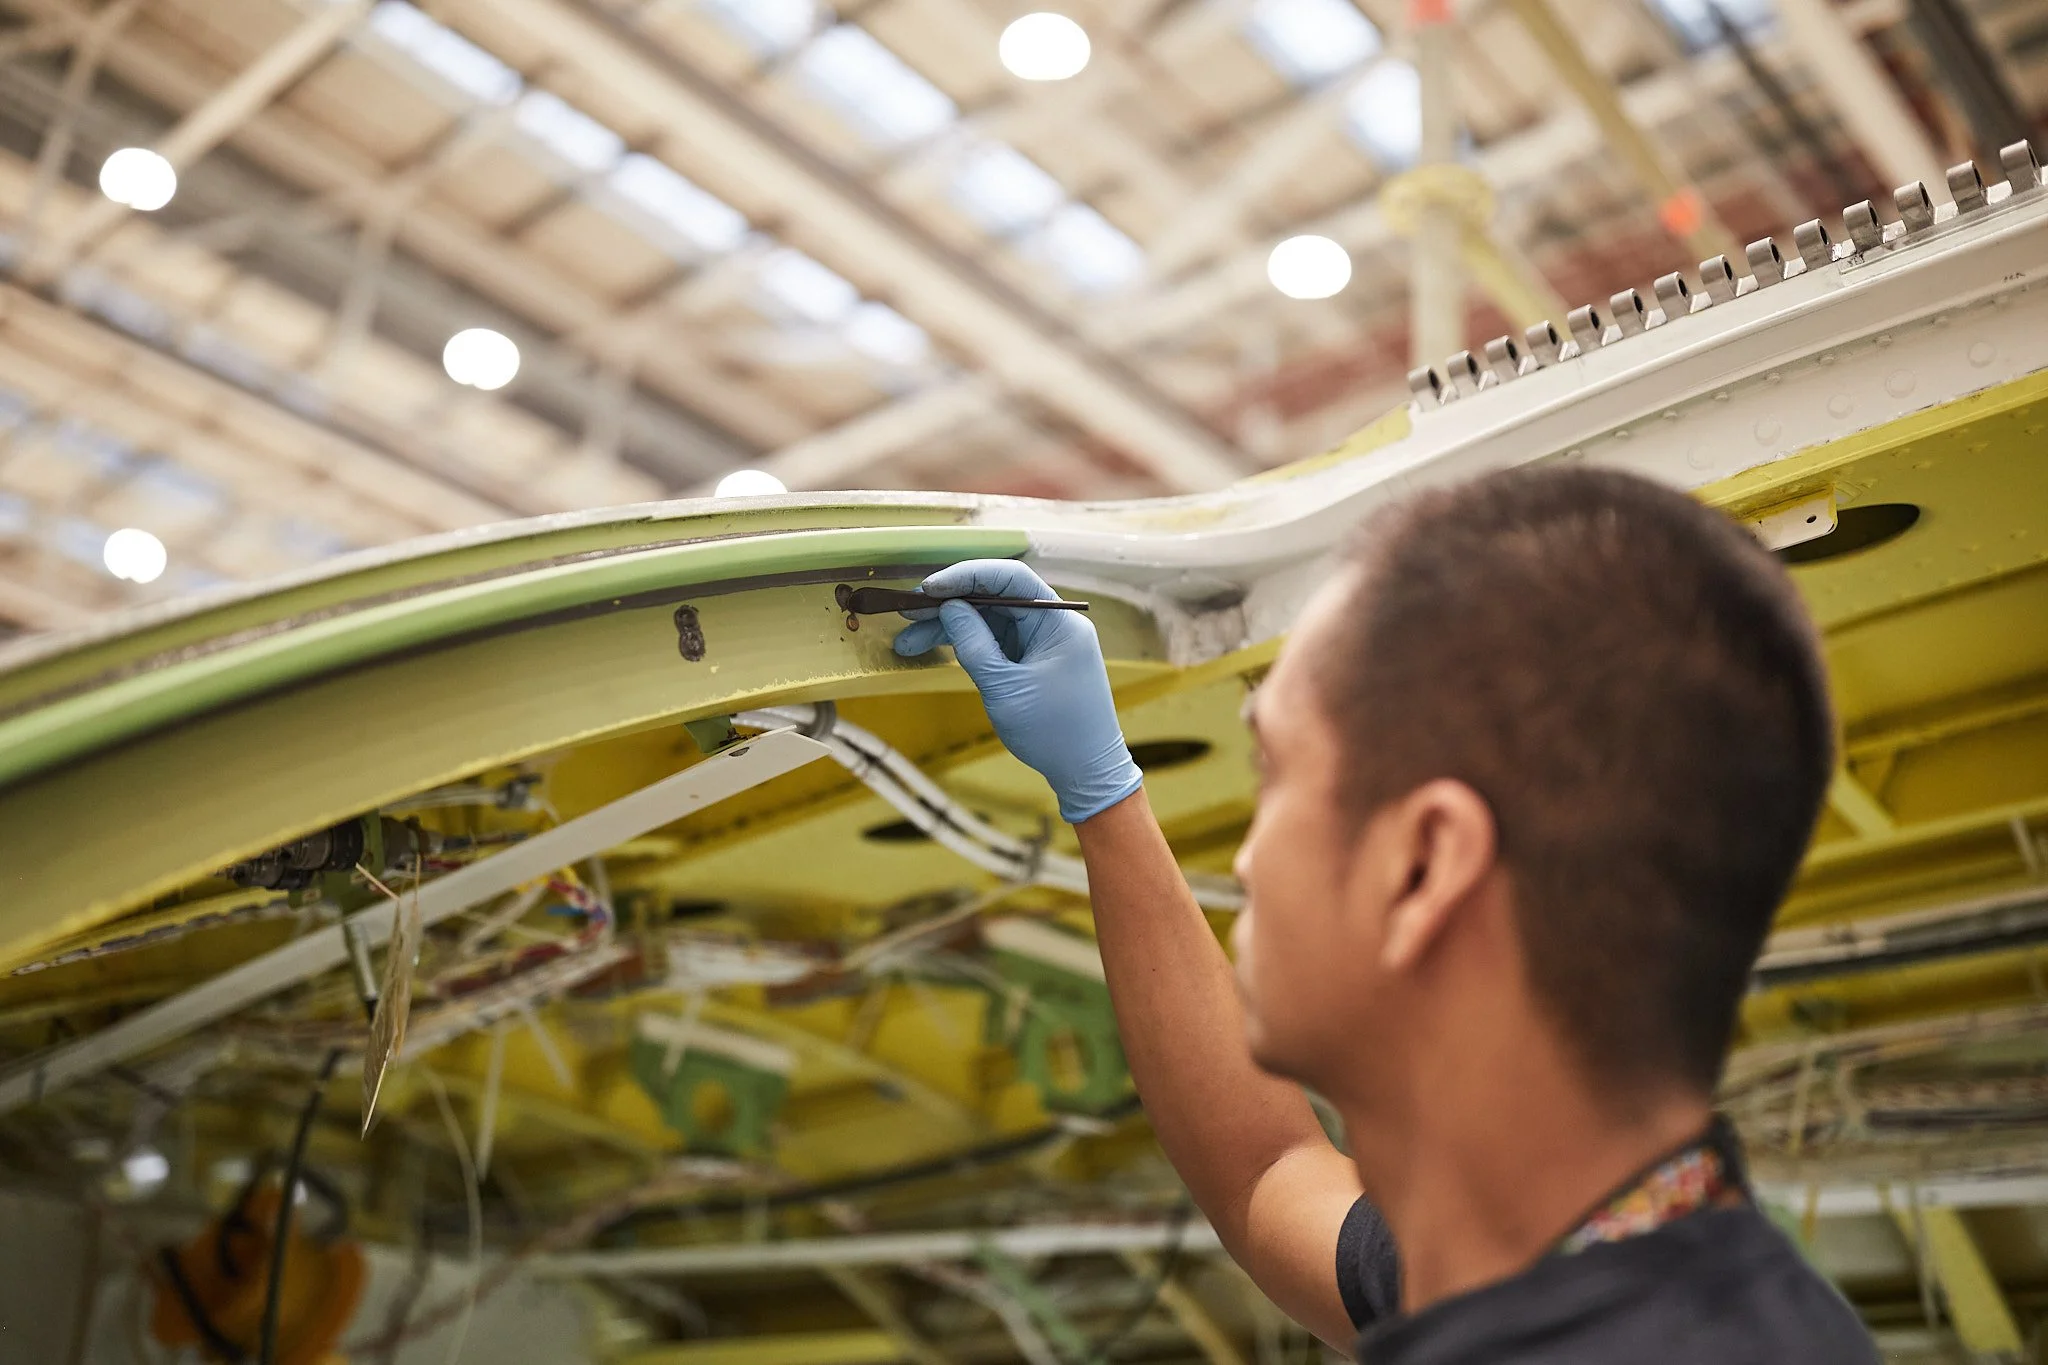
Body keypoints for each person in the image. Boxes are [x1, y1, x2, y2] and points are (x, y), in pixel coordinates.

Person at [890, 465, 1878, 1363]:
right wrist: (1102, 800)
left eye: (1274, 774)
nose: (1247, 856)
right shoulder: (1582, 1266)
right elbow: (1265, 1174)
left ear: (1420, 867)